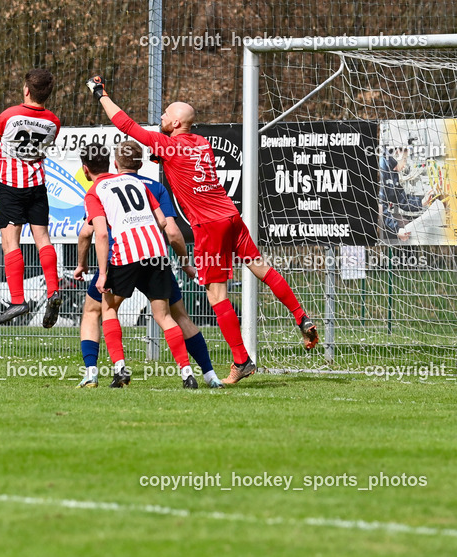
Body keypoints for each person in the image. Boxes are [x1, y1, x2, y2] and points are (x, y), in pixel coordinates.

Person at [87, 76, 317, 385]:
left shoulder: (168, 145)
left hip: (209, 226)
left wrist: (101, 94)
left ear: (177, 122)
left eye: (166, 113)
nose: (161, 116)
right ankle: (300, 315)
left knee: (217, 295)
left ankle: (241, 360)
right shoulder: (202, 144)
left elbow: (126, 125)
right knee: (261, 267)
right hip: (231, 216)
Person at [72, 140, 223, 388]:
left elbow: (97, 233)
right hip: (156, 254)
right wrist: (185, 262)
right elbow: (166, 225)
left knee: (105, 309)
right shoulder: (142, 184)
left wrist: (96, 271)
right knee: (168, 316)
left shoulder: (96, 192)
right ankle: (193, 374)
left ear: (86, 169)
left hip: (124, 255)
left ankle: (113, 370)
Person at [0, 69, 63, 328]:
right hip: (37, 185)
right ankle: (53, 290)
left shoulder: (8, 115)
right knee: (43, 238)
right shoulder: (54, 122)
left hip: (11, 187)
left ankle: (17, 300)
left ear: (26, 90)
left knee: (11, 242)